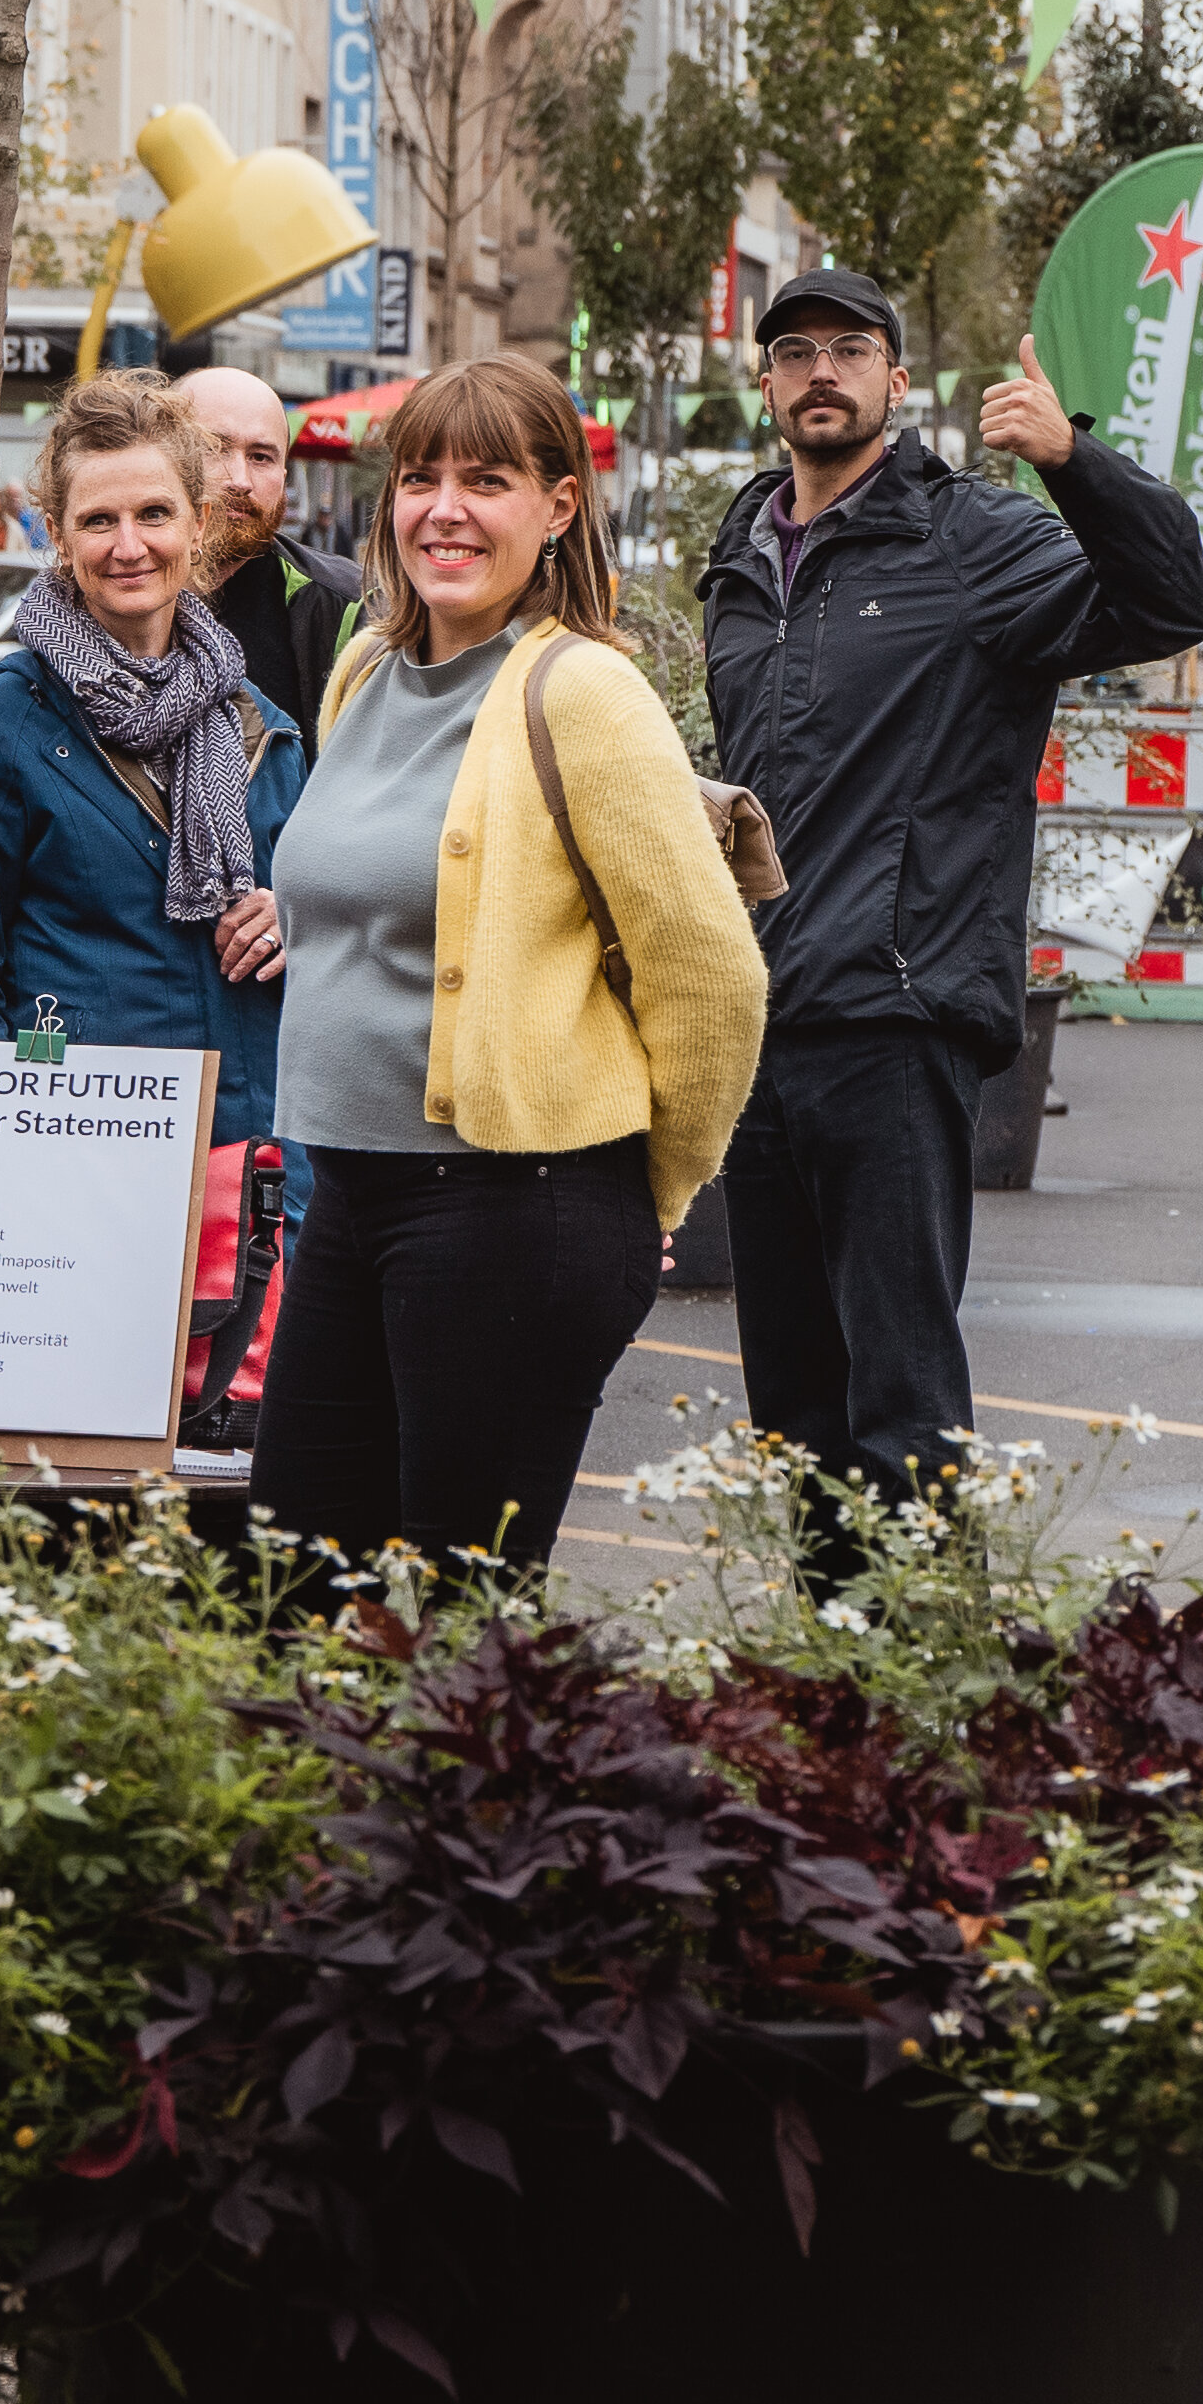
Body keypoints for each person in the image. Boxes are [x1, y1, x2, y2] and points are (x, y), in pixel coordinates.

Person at [697, 268, 1203, 1520]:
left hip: (895, 1011)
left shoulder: (967, 535)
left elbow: (1169, 601)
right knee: (793, 1408)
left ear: (897, 379)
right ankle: (829, 1686)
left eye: (851, 349)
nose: (822, 370)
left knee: (900, 1395)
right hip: (758, 1019)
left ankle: (928, 1683)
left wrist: (1072, 460)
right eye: (795, 350)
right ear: (765, 382)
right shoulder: (741, 548)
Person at [258, 355, 767, 1568]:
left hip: (515, 1205)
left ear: (557, 507)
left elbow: (711, 974)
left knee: (458, 1610)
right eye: (420, 476)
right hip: (353, 1191)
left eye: (487, 479)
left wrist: (656, 1185)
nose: (444, 508)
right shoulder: (365, 671)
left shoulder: (584, 691)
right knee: (291, 1583)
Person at [0, 369, 306, 1136]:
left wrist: (298, 919)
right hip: (78, 1145)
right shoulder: (3, 718)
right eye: (98, 520)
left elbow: (338, 943)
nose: (129, 546)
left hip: (249, 1148)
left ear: (199, 523)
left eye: (154, 514)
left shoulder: (263, 729)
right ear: (55, 530)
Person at [178, 364, 361, 764]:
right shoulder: (106, 594)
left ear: (283, 473)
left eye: (260, 457)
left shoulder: (349, 606)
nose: (240, 479)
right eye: (214, 449)